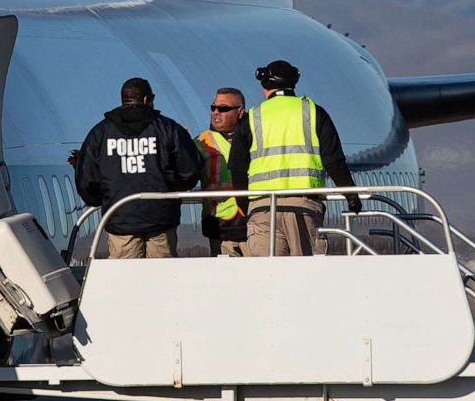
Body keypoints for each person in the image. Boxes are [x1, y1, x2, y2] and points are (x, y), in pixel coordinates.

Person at [228, 60, 361, 256]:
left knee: (266, 276)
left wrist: (244, 204)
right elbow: (334, 161)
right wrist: (351, 195)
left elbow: (238, 168)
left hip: (262, 208)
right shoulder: (314, 112)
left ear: (265, 85)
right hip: (303, 206)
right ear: (294, 83)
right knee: (305, 275)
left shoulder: (252, 118)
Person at [75, 77, 202, 259]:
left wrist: (102, 200)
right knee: (162, 278)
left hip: (120, 221)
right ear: (146, 100)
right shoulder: (168, 129)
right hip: (161, 220)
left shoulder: (100, 133)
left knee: (125, 280)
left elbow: (86, 179)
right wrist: (171, 188)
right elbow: (190, 170)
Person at [194, 87, 248, 257]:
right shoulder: (201, 141)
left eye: (223, 108)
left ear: (240, 111)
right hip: (220, 224)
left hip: (254, 219)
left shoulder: (255, 137)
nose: (216, 113)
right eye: (213, 107)